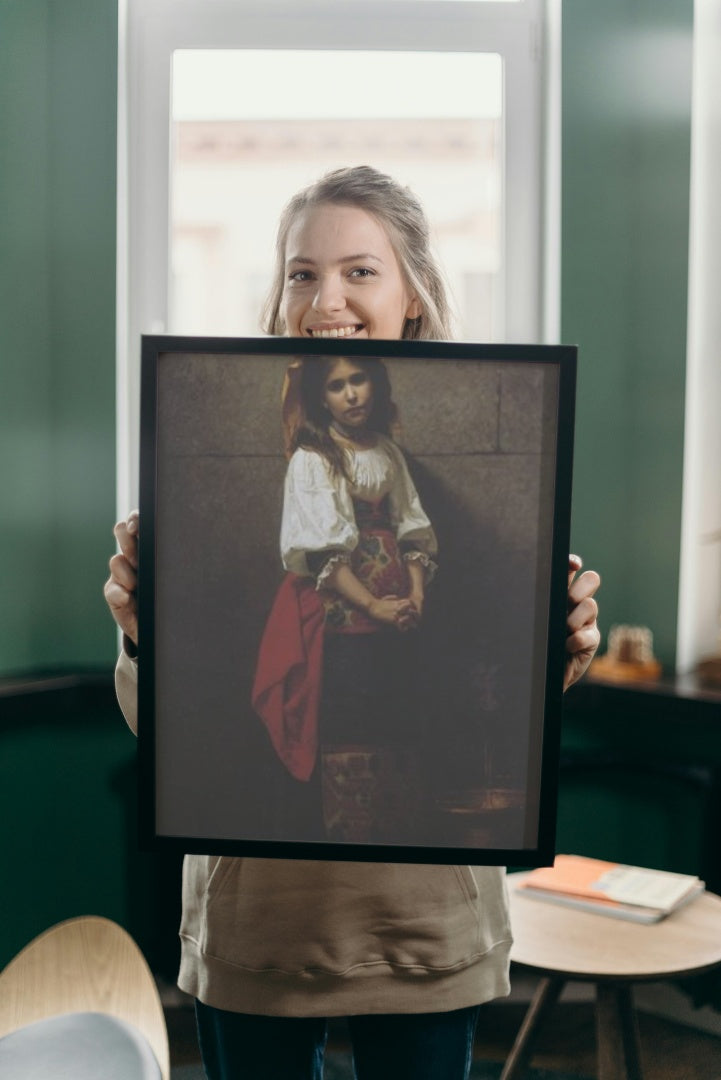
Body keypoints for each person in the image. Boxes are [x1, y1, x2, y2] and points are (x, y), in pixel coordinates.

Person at [105, 165, 601, 1080]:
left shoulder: (420, 467)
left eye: (359, 271)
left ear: (412, 293)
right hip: (261, 922)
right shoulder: (273, 461)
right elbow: (162, 728)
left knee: (399, 734)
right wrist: (142, 636)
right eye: (301, 272)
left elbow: (492, 684)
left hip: (423, 923)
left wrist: (555, 651)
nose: (324, 297)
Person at [252, 353, 438, 843]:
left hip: (399, 615)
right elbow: (324, 556)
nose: (352, 394)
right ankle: (350, 835)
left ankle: (400, 841)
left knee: (400, 718)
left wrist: (415, 596)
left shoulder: (389, 454)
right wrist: (374, 604)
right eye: (337, 386)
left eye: (358, 380)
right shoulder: (314, 459)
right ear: (321, 397)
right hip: (343, 618)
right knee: (352, 718)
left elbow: (412, 528)